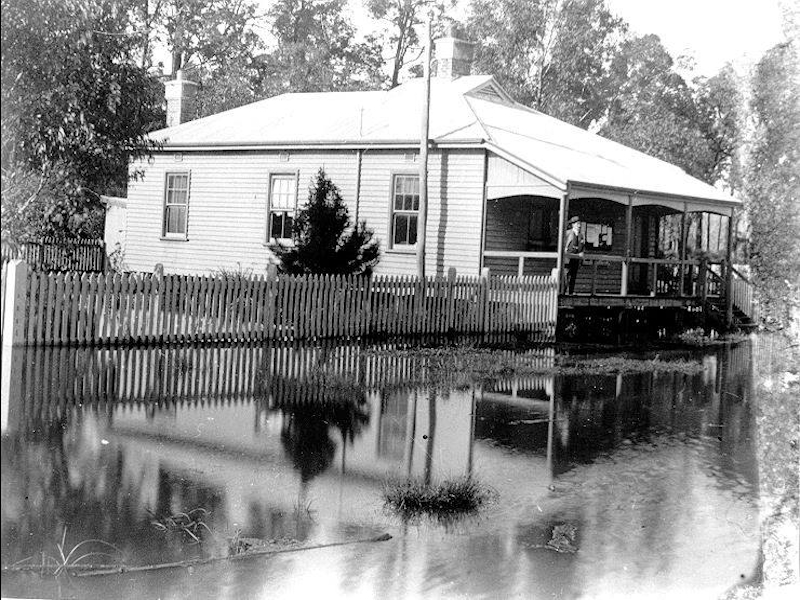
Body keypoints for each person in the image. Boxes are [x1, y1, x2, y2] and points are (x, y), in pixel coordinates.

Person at [564, 216, 585, 294]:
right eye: (577, 224)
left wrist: (582, 252)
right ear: (573, 225)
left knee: (573, 276)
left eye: (580, 224)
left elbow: (582, 246)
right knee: (565, 276)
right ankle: (563, 293)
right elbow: (563, 245)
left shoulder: (581, 235)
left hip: (576, 259)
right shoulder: (567, 233)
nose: (579, 226)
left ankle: (570, 293)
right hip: (567, 259)